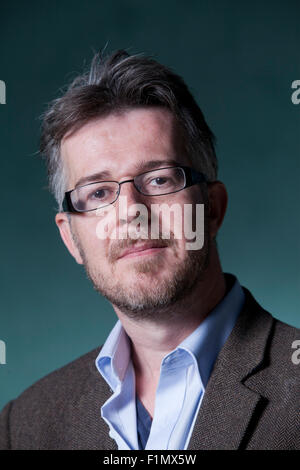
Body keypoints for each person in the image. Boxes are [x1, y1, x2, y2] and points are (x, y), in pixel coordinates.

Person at [0, 50, 299, 450]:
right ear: (71, 238)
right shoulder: (24, 427)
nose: (130, 213)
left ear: (213, 209)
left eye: (158, 180)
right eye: (99, 192)